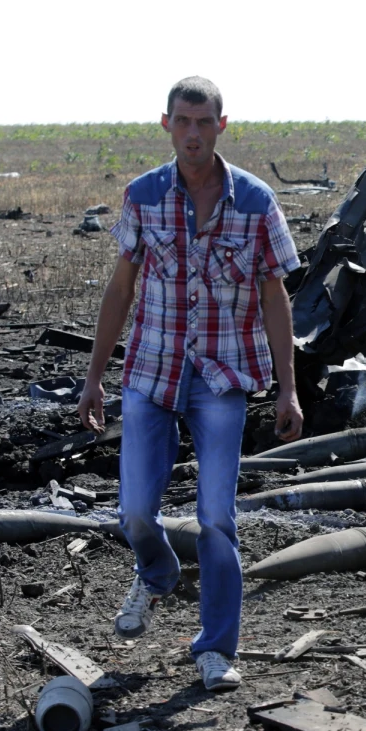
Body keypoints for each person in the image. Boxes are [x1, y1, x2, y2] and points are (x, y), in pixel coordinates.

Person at [77, 76, 303, 692]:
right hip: (151, 373)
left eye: (205, 123)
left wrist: (288, 388)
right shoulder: (143, 196)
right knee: (134, 513)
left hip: (222, 378)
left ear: (221, 126)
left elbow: (274, 295)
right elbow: (121, 290)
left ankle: (215, 650)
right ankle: (155, 572)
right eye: (183, 122)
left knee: (216, 517)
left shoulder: (255, 202)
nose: (194, 134)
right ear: (167, 125)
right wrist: (95, 379)